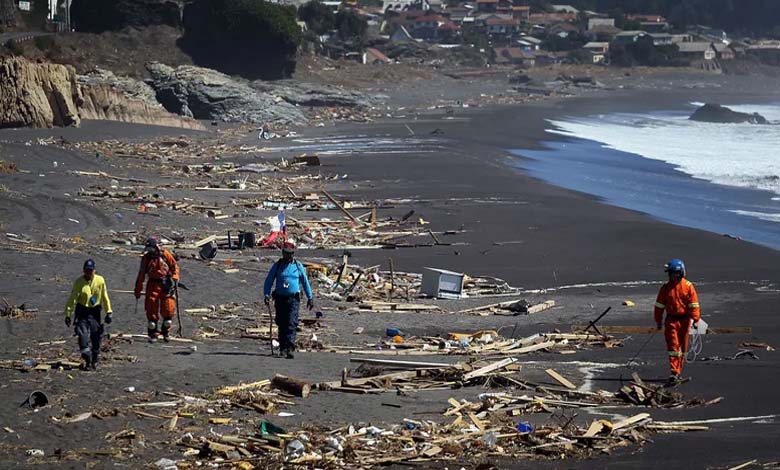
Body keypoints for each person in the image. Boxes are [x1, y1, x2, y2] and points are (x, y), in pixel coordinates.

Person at [263, 240, 314, 359]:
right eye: (286, 253)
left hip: (293, 299)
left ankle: (290, 348)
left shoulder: (298, 266)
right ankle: (282, 348)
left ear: (293, 253)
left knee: (291, 322)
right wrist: (266, 295)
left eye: (290, 253)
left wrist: (310, 297)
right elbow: (269, 281)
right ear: (282, 252)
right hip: (280, 298)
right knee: (281, 323)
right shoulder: (278, 265)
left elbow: (305, 282)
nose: (288, 256)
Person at [653, 258, 700, 385]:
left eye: (674, 273)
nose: (672, 276)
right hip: (671, 321)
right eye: (670, 274)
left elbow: (694, 304)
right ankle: (674, 372)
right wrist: (658, 321)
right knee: (673, 347)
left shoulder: (688, 287)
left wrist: (696, 320)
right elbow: (659, 306)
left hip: (685, 321)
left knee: (683, 348)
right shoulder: (665, 289)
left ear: (680, 273)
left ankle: (678, 371)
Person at [64, 259, 113, 370]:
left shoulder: (100, 281)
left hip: (95, 312)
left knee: (96, 337)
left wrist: (109, 312)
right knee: (83, 336)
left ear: (94, 271)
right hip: (82, 311)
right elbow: (72, 299)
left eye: (91, 270)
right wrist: (68, 314)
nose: (89, 273)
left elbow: (105, 297)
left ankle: (94, 360)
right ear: (83, 270)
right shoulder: (79, 283)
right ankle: (87, 359)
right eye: (87, 270)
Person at [135, 237, 180, 342]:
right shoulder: (146, 258)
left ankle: (165, 331)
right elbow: (141, 275)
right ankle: (153, 333)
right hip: (152, 284)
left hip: (166, 284)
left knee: (168, 309)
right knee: (151, 310)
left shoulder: (165, 255)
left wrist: (175, 277)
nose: (150, 251)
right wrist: (138, 289)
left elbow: (174, 266)